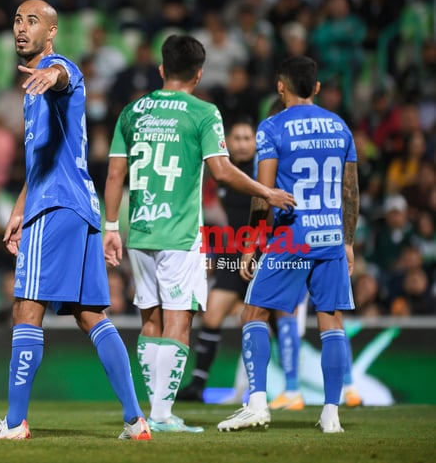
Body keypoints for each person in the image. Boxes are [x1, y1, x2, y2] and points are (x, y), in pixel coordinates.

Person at [103, 34, 296, 432]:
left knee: (150, 320)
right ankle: (160, 415)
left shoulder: (132, 112)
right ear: (199, 73)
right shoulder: (203, 112)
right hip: (179, 234)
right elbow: (222, 170)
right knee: (179, 320)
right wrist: (268, 191)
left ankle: (152, 412)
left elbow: (115, 173)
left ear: (161, 69)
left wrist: (110, 226)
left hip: (138, 230)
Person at [0, 0, 151, 441]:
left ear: (51, 31)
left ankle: (15, 424)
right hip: (78, 206)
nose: (21, 28)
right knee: (90, 313)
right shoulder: (32, 89)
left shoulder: (55, 70)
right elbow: (43, 159)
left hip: (56, 207)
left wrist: (51, 75)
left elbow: (65, 76)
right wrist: (19, 208)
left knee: (26, 309)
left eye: (32, 21)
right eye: (17, 20)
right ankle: (135, 420)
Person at [217, 55, 358, 433]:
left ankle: (258, 403)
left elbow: (263, 193)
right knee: (332, 320)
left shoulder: (272, 127)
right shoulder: (340, 126)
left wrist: (250, 243)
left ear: (280, 88)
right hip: (330, 236)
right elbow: (350, 191)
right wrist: (348, 240)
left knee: (254, 314)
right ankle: (331, 413)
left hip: (291, 236)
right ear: (316, 88)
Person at [177, 118, 257, 403]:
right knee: (211, 317)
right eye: (237, 138)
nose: (243, 143)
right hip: (233, 256)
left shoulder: (262, 172)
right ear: (228, 143)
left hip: (262, 254)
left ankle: (281, 387)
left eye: (248, 137)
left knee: (267, 321)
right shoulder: (223, 176)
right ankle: (198, 384)